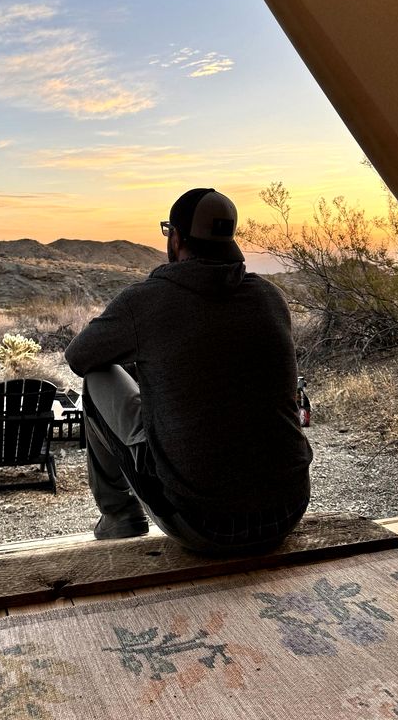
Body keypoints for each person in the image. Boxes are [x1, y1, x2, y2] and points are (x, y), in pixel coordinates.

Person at [64, 187, 313, 553]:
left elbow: (79, 357)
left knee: (98, 376)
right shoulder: (268, 297)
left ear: (176, 238)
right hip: (286, 512)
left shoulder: (147, 301)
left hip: (204, 525)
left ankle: (119, 516)